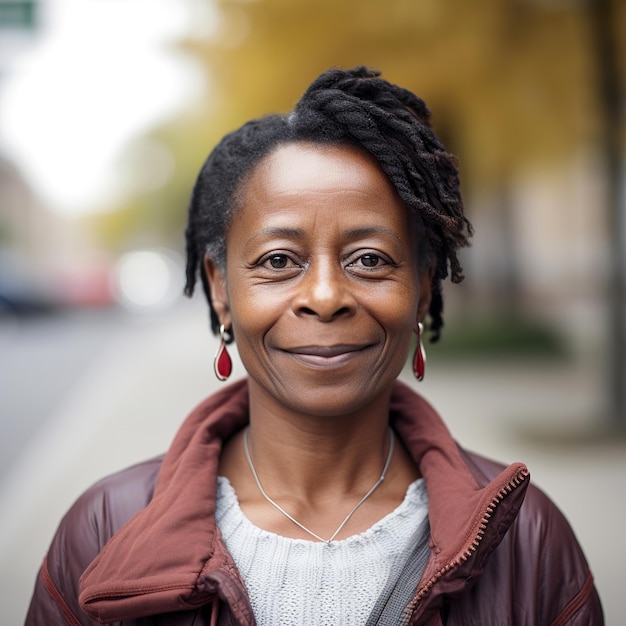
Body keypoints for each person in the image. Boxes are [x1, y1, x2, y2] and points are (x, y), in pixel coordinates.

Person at [26, 66, 603, 626]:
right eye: (279, 261)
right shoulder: (101, 529)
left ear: (423, 291)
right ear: (220, 289)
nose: (325, 297)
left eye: (370, 260)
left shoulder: (528, 537)